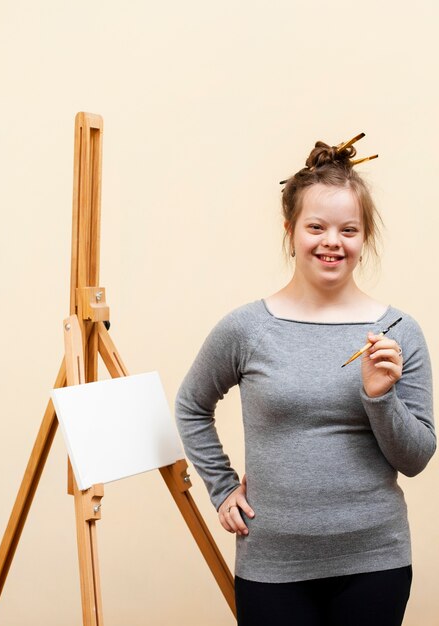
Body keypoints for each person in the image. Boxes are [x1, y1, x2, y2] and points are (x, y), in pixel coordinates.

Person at [175, 135, 435, 626]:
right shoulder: (247, 328)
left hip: (375, 560)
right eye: (316, 226)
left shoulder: (401, 332)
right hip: (273, 564)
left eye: (348, 229)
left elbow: (417, 458)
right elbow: (191, 404)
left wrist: (380, 398)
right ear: (291, 228)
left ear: (365, 237)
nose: (332, 241)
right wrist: (222, 487)